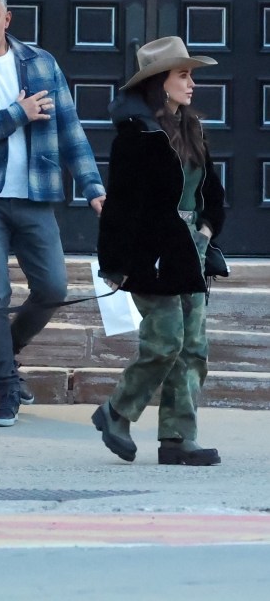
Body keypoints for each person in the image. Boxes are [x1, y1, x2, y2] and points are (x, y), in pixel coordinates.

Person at [0, 0, 105, 428]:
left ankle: (4, 352)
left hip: (35, 194)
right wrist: (16, 114)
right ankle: (6, 388)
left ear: (7, 18)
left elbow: (71, 129)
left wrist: (93, 187)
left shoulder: (40, 63)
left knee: (53, 288)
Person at [92, 36, 225, 467]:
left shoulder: (192, 128)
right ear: (159, 82)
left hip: (192, 250)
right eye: (183, 75)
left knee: (194, 349)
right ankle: (116, 411)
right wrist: (116, 264)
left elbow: (211, 191)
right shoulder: (137, 136)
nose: (191, 84)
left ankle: (177, 439)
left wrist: (207, 227)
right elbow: (121, 207)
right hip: (152, 253)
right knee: (165, 342)